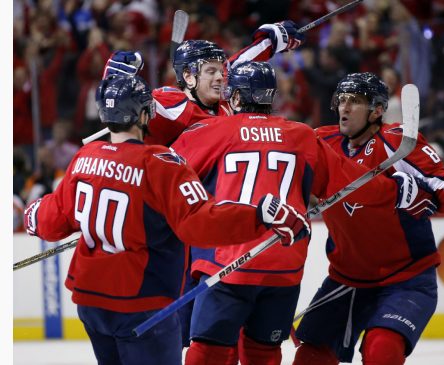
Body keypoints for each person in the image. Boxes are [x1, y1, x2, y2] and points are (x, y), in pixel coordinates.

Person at [22, 75, 310, 365]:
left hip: (90, 303)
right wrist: (259, 215)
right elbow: (200, 224)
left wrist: (31, 213)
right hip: (141, 304)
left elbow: (52, 220)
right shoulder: (160, 164)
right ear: (145, 113)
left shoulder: (84, 157)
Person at [169, 62, 437, 365]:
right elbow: (351, 182)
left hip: (229, 263)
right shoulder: (301, 135)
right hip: (283, 268)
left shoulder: (210, 130)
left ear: (235, 97)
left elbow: (164, 173)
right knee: (263, 353)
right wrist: (396, 189)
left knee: (208, 352)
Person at [293, 72, 444, 365]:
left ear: (376, 110)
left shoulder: (396, 141)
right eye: (342, 101)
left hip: (406, 278)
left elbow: (440, 182)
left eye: (356, 102)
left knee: (381, 351)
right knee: (310, 356)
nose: (345, 108)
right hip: (346, 278)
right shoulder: (321, 141)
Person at [103, 20, 305, 146]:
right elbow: (130, 105)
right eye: (211, 71)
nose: (220, 77)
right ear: (189, 77)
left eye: (220, 71)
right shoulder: (174, 104)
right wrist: (115, 81)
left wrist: (271, 42)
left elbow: (234, 65)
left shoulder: (221, 98)